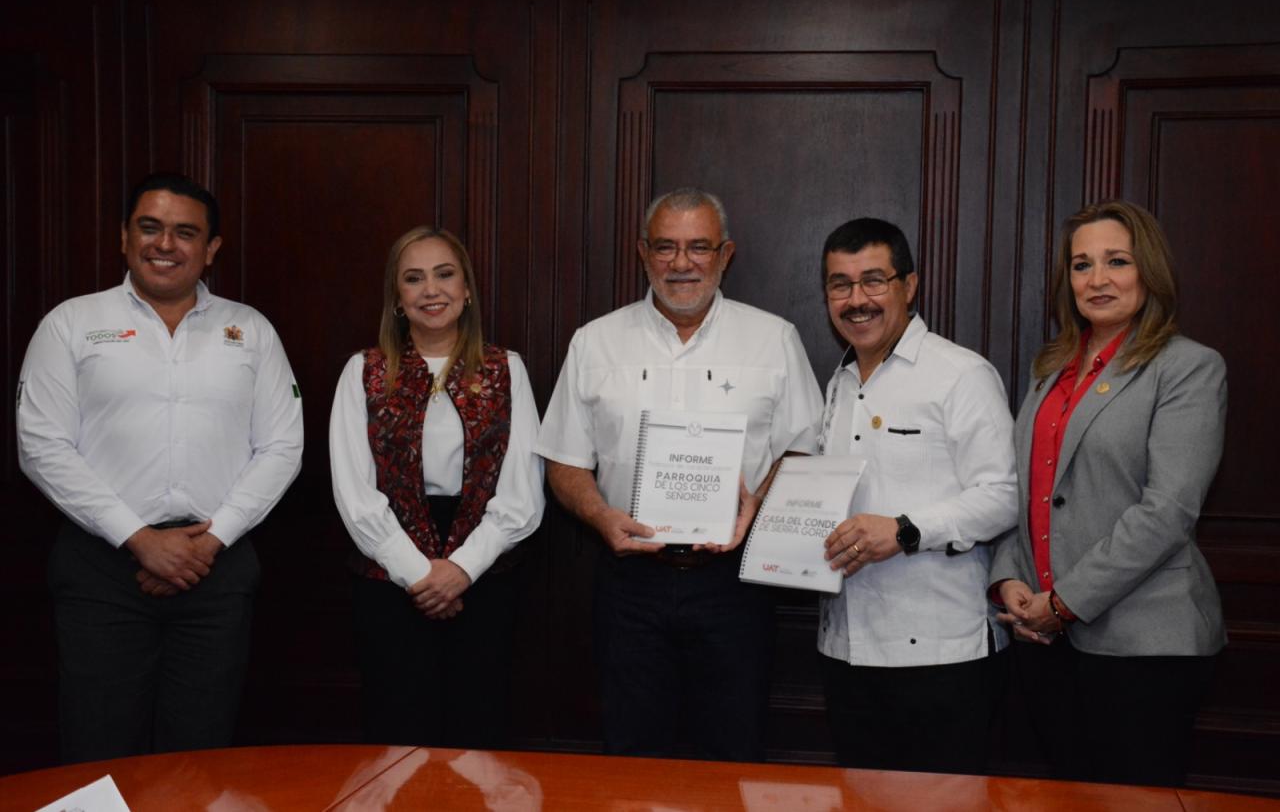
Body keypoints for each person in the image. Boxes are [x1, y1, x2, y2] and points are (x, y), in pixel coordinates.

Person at [17, 172, 304, 762]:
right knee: (99, 751)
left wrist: (208, 544)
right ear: (124, 236)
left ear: (211, 248)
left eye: (185, 232)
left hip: (215, 571)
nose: (164, 244)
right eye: (149, 228)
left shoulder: (251, 330)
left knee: (200, 756)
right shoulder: (70, 323)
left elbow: (282, 448)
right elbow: (42, 446)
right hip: (102, 571)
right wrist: (140, 539)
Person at [535, 187, 823, 761]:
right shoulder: (595, 342)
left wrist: (757, 504)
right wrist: (600, 516)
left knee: (733, 751)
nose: (682, 263)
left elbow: (803, 450)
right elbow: (563, 461)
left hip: (735, 583)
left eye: (699, 247)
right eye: (666, 247)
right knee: (632, 752)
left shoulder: (773, 339)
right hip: (630, 583)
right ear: (643, 253)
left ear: (725, 254)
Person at [990, 200, 1226, 786]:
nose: (1097, 279)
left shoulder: (1188, 368)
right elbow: (1029, 490)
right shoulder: (1050, 370)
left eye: (1116, 261)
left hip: (1146, 644)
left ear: (1149, 271)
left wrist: (1064, 603)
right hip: (1045, 641)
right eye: (1081, 265)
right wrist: (1009, 577)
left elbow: (1168, 511)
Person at [329, 226, 544, 749]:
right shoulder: (364, 372)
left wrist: (461, 570)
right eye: (414, 278)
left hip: (484, 575)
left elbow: (523, 493)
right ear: (397, 298)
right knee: (398, 734)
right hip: (389, 574)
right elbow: (355, 495)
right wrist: (421, 576)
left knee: (479, 735)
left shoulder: (506, 369)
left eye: (445, 275)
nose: (431, 290)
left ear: (466, 289)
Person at [817, 217, 1018, 774]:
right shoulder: (838, 384)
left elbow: (1004, 495)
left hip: (941, 655)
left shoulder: (960, 374)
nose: (857, 300)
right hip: (845, 648)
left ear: (909, 286)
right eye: (840, 284)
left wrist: (905, 530)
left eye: (873, 280)